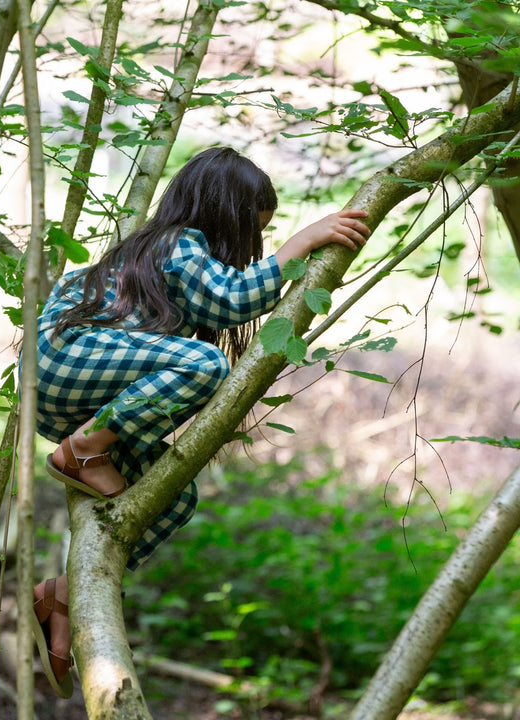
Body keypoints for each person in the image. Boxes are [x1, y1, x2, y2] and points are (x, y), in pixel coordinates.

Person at [30, 146, 370, 697]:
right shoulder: (178, 241)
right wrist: (303, 242)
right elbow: (233, 301)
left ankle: (61, 597)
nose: (250, 247)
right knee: (206, 362)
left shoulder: (153, 251)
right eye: (251, 233)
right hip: (66, 361)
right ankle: (84, 450)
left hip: (71, 388)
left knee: (173, 497)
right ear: (225, 214)